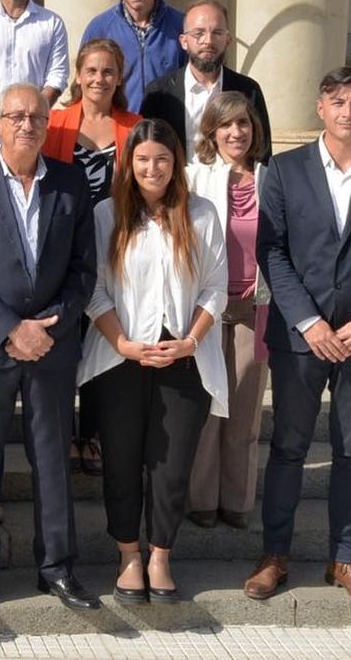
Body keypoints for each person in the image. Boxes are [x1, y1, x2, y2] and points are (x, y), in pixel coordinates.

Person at [246, 67, 351, 606]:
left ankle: (346, 559)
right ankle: (275, 555)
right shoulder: (284, 169)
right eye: (338, 101)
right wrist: (309, 321)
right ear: (320, 108)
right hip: (303, 339)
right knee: (289, 449)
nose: (348, 110)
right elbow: (271, 251)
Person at [0, 84, 98, 614]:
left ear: (47, 122)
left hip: (52, 344)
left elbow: (84, 272)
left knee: (52, 459)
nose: (26, 124)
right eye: (15, 116)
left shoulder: (72, 185)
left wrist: (50, 325)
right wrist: (12, 329)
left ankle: (56, 567)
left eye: (35, 116)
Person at [80, 118, 228, 604]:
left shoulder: (201, 215)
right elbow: (94, 292)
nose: (152, 167)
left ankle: (160, 554)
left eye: (161, 159)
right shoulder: (107, 215)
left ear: (175, 163)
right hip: (120, 358)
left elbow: (215, 288)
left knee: (170, 464)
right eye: (142, 159)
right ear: (129, 163)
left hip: (183, 360)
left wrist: (190, 341)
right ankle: (129, 555)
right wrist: (121, 341)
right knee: (121, 461)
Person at [43, 38, 142, 476]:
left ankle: (95, 434)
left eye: (108, 71)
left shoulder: (135, 125)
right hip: (65, 251)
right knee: (67, 342)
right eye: (91, 70)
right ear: (78, 76)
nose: (99, 79)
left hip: (115, 251)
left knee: (106, 341)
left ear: (118, 77)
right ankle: (65, 433)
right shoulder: (56, 124)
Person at [185, 92, 271, 531]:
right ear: (211, 132)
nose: (236, 133)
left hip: (254, 308)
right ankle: (200, 498)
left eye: (243, 124)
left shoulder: (272, 180)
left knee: (244, 408)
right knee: (205, 407)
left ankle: (237, 500)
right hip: (207, 309)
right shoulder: (195, 177)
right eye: (226, 125)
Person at [141, 0, 272, 161]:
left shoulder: (248, 90)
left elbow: (262, 151)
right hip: (179, 185)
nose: (208, 41)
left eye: (217, 33)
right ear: (183, 41)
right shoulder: (159, 93)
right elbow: (146, 150)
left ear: (228, 40)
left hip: (233, 185)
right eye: (198, 33)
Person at [79, 0, 185, 112]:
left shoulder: (180, 25)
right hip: (118, 127)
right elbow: (84, 83)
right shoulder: (100, 28)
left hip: (167, 130)